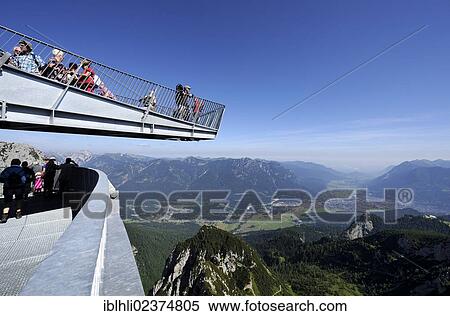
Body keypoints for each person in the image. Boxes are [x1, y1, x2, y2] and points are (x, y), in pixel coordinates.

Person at [0, 159, 26, 223]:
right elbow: (24, 179)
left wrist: (6, 182)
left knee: (7, 201)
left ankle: (4, 215)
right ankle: (18, 213)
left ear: (11, 163)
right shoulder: (21, 170)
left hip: (8, 188)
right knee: (18, 200)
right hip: (19, 188)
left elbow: (1, 178)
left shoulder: (7, 169)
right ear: (19, 164)